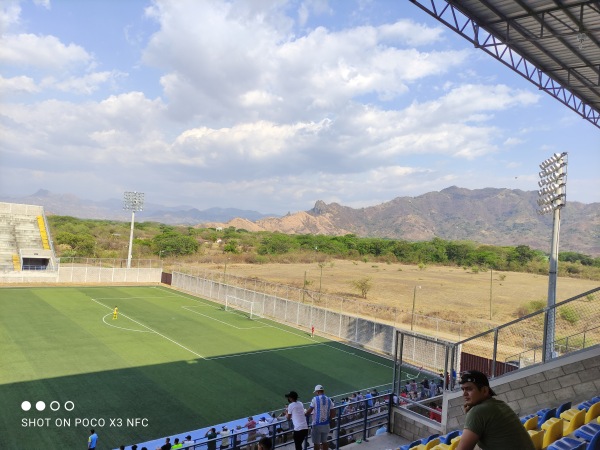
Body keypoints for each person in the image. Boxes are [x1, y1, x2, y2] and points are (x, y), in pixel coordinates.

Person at [456, 370, 535, 450]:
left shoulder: (478, 412)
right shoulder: (500, 404)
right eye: (463, 389)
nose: (464, 394)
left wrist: (471, 416)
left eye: (469, 389)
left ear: (484, 391)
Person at [305, 384, 336, 450]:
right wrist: (328, 419)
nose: (316, 394)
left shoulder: (314, 399)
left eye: (316, 392)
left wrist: (305, 413)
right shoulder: (329, 399)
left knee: (316, 444)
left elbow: (308, 412)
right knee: (324, 442)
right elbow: (333, 414)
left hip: (316, 425)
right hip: (326, 424)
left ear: (318, 391)